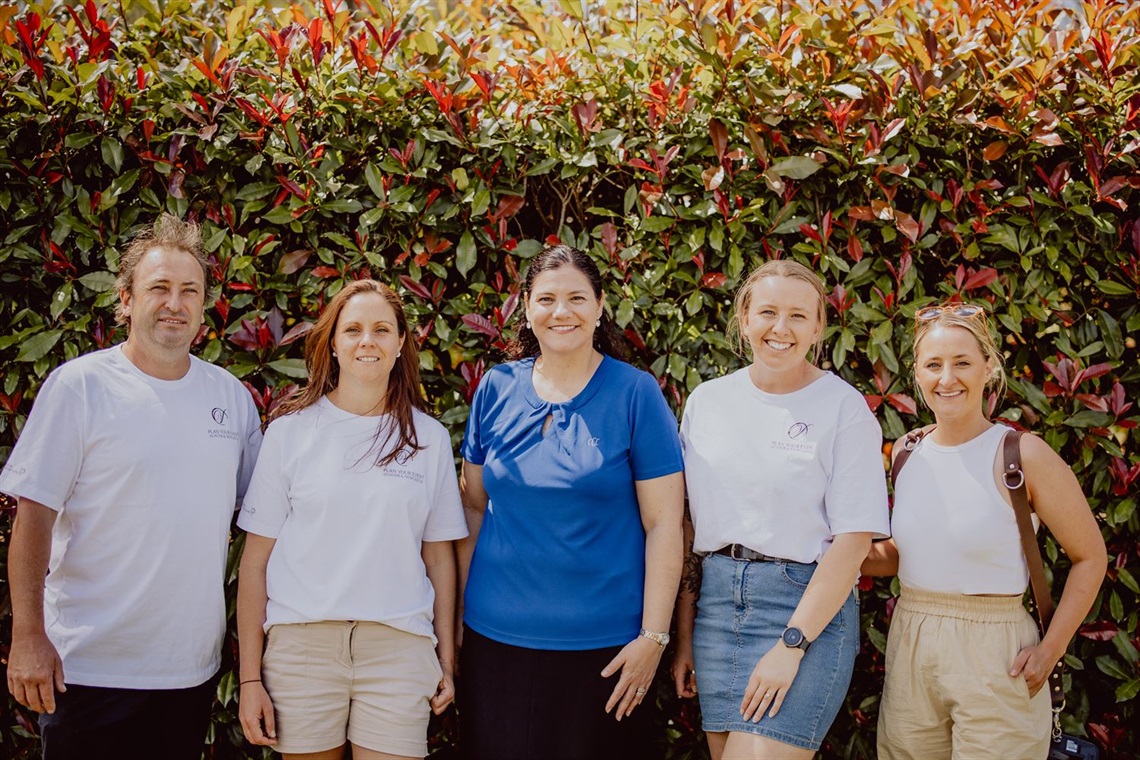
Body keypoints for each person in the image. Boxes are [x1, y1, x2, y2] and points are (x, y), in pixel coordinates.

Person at [0, 214, 262, 759]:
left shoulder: (231, 398)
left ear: (205, 305)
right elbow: (33, 520)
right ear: (125, 299)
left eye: (189, 290)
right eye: (159, 288)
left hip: (188, 672)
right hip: (88, 669)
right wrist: (27, 636)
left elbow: (261, 516)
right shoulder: (79, 388)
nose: (175, 303)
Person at [456, 244, 685, 760]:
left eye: (577, 298)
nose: (563, 312)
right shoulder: (495, 388)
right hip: (495, 646)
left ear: (601, 306)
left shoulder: (635, 394)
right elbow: (472, 508)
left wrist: (654, 637)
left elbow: (666, 525)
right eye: (548, 299)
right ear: (527, 308)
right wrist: (457, 622)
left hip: (607, 654)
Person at [862, 302, 1107, 759]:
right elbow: (909, 553)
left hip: (996, 652)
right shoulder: (906, 453)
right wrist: (839, 550)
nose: (947, 378)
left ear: (989, 367)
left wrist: (1052, 649)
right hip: (912, 639)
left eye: (962, 363)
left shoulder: (1022, 455)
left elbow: (1091, 557)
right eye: (933, 364)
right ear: (917, 373)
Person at [236, 279, 467, 760]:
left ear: (401, 342)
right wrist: (250, 677)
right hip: (303, 648)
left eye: (382, 329)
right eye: (354, 329)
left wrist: (446, 656)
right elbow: (254, 564)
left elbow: (440, 560)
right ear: (334, 344)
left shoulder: (428, 438)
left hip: (399, 649)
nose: (368, 341)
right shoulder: (289, 434)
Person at [672, 259, 890, 760]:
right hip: (716, 610)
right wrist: (684, 637)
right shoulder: (707, 402)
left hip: (802, 610)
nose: (780, 328)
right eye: (768, 311)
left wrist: (792, 644)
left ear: (818, 327)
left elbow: (854, 542)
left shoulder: (843, 407)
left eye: (798, 315)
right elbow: (688, 528)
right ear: (744, 318)